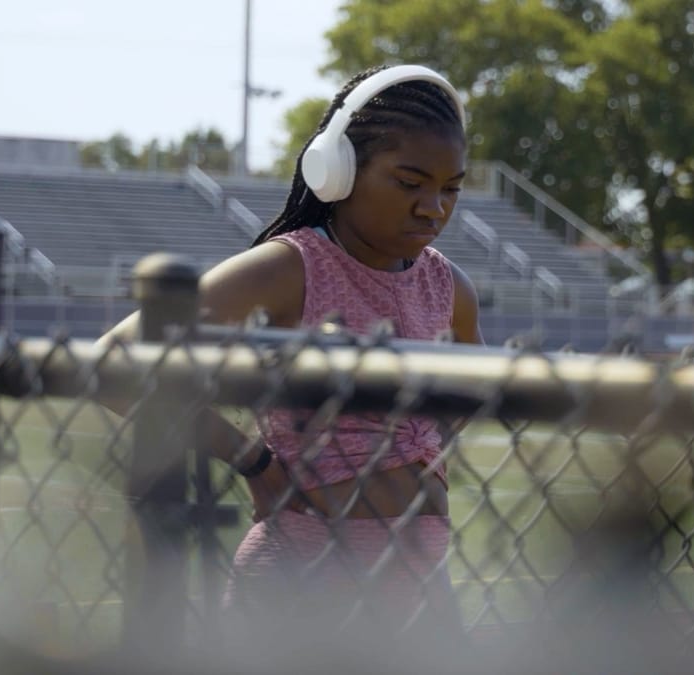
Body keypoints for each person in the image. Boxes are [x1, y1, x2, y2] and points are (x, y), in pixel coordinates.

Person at [100, 64, 481, 643]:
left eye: (449, 188)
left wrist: (424, 443)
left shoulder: (448, 285)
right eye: (409, 183)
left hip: (423, 585)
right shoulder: (292, 267)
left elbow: (477, 387)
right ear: (338, 170)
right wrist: (251, 458)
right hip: (304, 578)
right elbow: (114, 363)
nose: (433, 207)